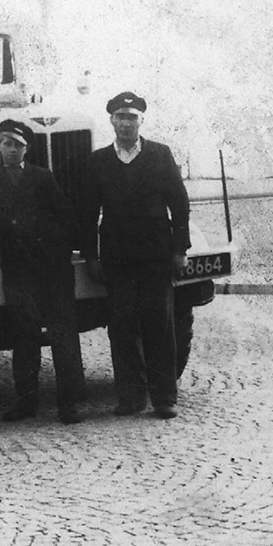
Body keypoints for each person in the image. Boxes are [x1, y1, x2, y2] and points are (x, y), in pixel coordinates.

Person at [80, 91, 191, 420]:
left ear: (141, 121)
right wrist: (91, 256)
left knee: (160, 325)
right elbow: (88, 213)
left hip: (156, 255)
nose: (126, 123)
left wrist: (179, 250)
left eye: (132, 117)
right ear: (111, 121)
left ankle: (164, 398)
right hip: (117, 257)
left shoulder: (159, 155)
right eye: (120, 117)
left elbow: (179, 205)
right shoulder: (98, 161)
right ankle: (130, 397)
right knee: (123, 326)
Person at [0, 119, 85, 425]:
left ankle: (69, 403)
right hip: (17, 266)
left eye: (17, 145)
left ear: (26, 149)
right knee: (24, 332)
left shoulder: (42, 177)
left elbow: (65, 214)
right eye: (6, 143)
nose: (11, 149)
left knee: (62, 332)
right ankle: (25, 402)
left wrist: (62, 250)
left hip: (51, 265)